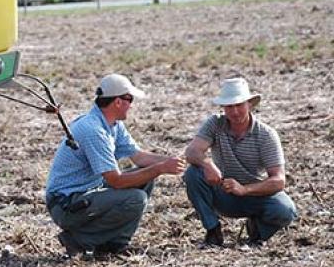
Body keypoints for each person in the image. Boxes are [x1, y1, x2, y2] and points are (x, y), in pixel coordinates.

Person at [46, 73, 186, 257]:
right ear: (118, 102)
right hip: (66, 203)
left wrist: (175, 161)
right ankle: (79, 240)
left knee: (146, 177)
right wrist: (161, 168)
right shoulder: (93, 130)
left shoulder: (113, 124)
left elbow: (139, 157)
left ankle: (114, 244)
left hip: (86, 193)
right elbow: (116, 181)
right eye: (130, 99)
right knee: (135, 198)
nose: (131, 105)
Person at [184, 77, 297, 247]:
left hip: (255, 194)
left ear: (250, 104)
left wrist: (245, 189)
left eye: (239, 105)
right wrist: (207, 164)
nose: (235, 112)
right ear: (223, 107)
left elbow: (279, 180)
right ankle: (212, 229)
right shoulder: (215, 123)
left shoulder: (266, 135)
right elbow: (192, 151)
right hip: (224, 191)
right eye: (229, 106)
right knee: (193, 173)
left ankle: (257, 229)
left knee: (285, 210)